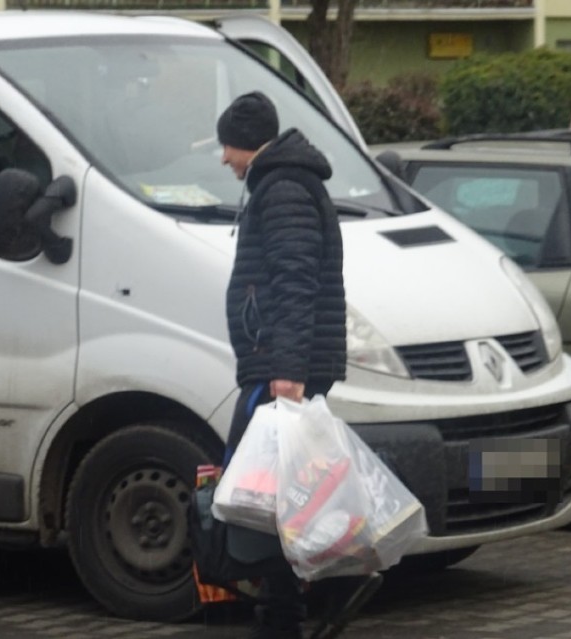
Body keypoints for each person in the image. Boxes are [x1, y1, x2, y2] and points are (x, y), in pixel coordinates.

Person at [218, 91, 378, 639]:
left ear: (250, 143)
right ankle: (292, 606)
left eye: (228, 146)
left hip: (283, 370)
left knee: (268, 498)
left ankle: (286, 615)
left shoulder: (282, 187)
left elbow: (294, 281)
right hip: (281, 364)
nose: (224, 158)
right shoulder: (280, 182)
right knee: (282, 495)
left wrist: (285, 370)